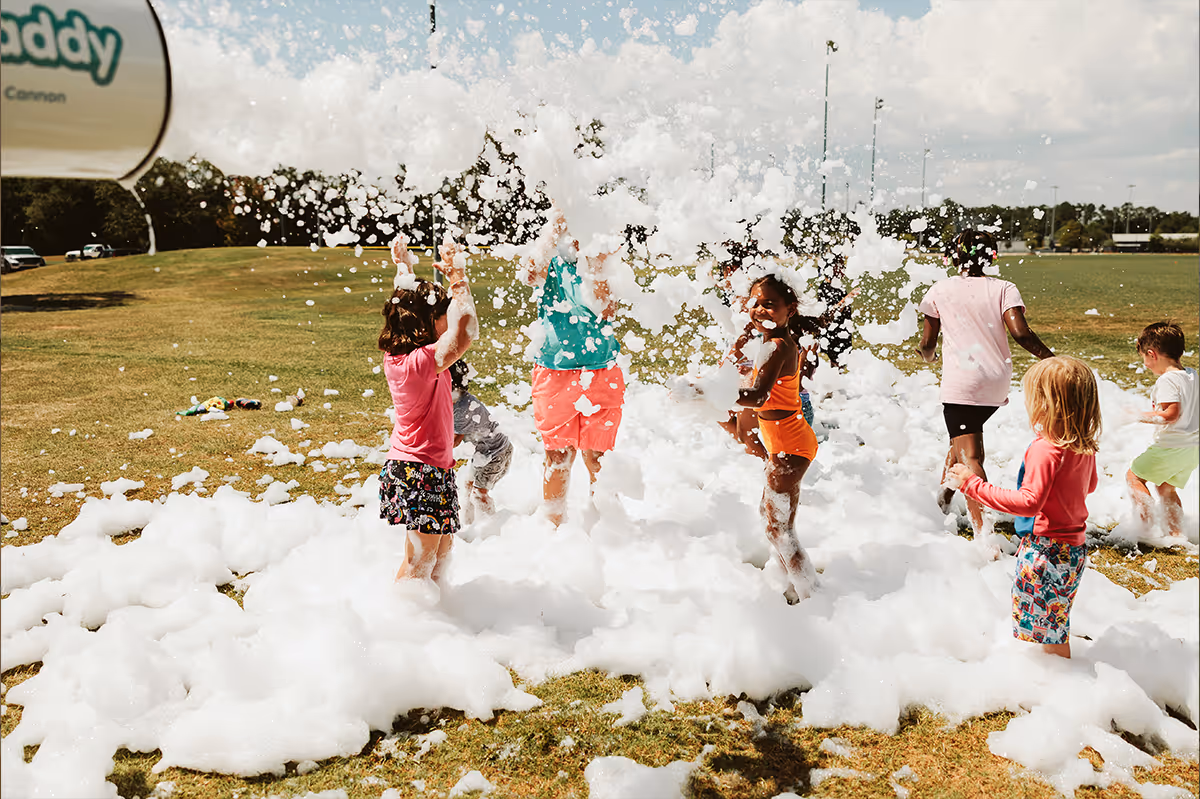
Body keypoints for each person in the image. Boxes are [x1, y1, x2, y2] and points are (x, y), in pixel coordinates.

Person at [946, 356, 1101, 659]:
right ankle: (1059, 681)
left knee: (1048, 633)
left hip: (1045, 553)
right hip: (1074, 551)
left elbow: (1028, 503)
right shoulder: (1083, 447)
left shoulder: (1046, 449)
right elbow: (1090, 485)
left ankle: (1060, 685)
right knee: (1054, 624)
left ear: (1046, 404)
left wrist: (971, 485)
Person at [917, 229, 1054, 536]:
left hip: (962, 385)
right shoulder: (1004, 288)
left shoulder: (938, 289)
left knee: (971, 456)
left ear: (952, 257)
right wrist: (1050, 358)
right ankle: (942, 500)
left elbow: (927, 345)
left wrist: (927, 356)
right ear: (992, 256)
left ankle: (983, 534)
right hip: (996, 383)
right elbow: (1021, 333)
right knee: (962, 441)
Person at [378, 233, 477, 583]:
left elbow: (405, 303)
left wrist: (403, 269)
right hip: (418, 472)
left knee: (441, 553)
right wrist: (457, 279)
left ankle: (430, 620)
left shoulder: (403, 355)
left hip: (430, 468)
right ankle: (400, 623)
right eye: (441, 315)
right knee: (421, 560)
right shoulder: (421, 362)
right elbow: (465, 332)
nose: (447, 319)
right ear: (424, 324)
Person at [518, 205, 625, 527]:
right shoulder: (551, 258)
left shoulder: (605, 258)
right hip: (554, 371)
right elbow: (528, 275)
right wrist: (554, 227)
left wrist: (596, 266)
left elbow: (608, 310)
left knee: (598, 456)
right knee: (558, 456)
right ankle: (552, 526)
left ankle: (610, 528)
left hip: (601, 369)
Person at [723, 273, 820, 604]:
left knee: (778, 529)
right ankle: (795, 588)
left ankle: (813, 597)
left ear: (789, 309)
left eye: (769, 304)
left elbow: (759, 396)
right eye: (755, 303)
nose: (760, 310)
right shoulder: (770, 343)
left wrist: (712, 393)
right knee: (775, 523)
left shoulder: (778, 345)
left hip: (791, 447)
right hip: (788, 444)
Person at [1125, 322, 1198, 539]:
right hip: (1192, 447)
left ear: (1151, 354)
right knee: (1166, 488)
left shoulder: (1168, 379)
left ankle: (1145, 530)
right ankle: (1176, 534)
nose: (1145, 364)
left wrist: (1135, 416)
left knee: (1134, 477)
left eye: (1144, 358)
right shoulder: (1192, 375)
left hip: (1172, 445)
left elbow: (1170, 415)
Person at [449, 359, 514, 522]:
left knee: (479, 495)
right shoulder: (462, 400)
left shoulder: (461, 413)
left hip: (495, 454)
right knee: (468, 484)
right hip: (487, 451)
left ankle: (493, 527)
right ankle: (468, 525)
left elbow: (453, 441)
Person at [815, 253, 855, 370]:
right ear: (831, 267)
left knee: (840, 364)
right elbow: (830, 312)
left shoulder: (837, 287)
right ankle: (832, 386)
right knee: (836, 364)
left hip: (841, 331)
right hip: (833, 333)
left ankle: (836, 385)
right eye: (840, 266)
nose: (843, 269)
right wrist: (846, 299)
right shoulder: (826, 288)